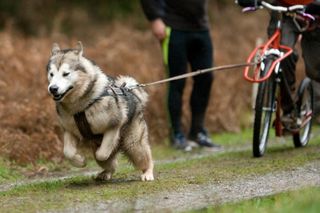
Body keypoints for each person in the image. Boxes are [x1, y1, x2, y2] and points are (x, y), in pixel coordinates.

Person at [140, 0, 221, 150]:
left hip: (201, 27)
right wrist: (155, 18)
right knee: (177, 82)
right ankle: (177, 135)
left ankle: (197, 132)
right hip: (173, 27)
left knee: (206, 79)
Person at [237, 0, 320, 126]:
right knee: (282, 56)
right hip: (284, 15)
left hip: (315, 19)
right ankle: (289, 111)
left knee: (316, 70)